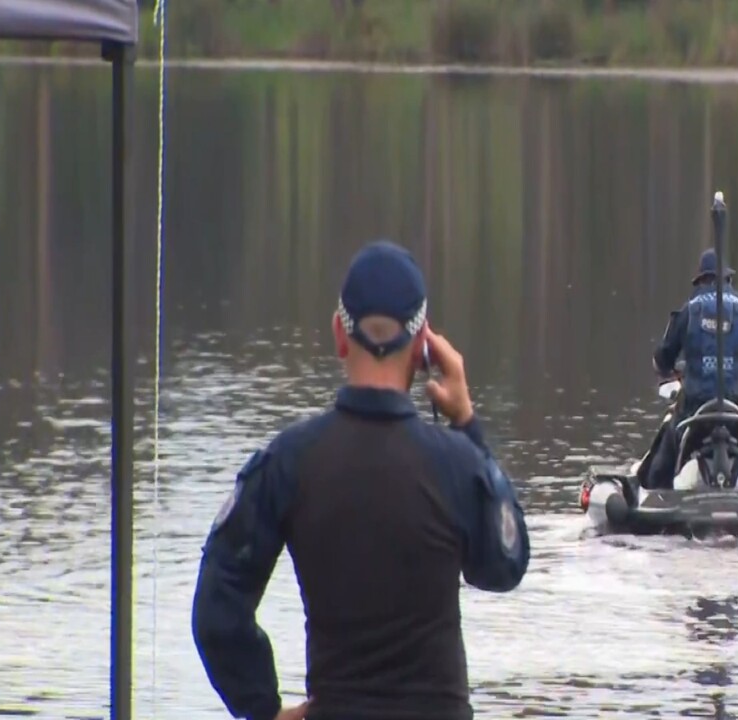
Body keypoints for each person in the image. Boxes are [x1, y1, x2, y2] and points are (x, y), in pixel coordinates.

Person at [191, 240, 531, 720]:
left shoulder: (288, 462)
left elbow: (217, 612)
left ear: (339, 335)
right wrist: (467, 424)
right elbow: (502, 567)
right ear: (423, 349)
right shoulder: (457, 463)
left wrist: (262, 708)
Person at [645, 248, 738, 488]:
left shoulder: (688, 311)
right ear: (728, 279)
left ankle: (651, 494)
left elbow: (663, 358)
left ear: (701, 280)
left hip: (695, 404)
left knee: (669, 439)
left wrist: (669, 369)